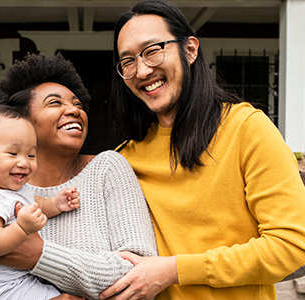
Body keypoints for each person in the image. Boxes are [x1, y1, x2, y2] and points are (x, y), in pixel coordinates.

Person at [99, 1, 305, 299]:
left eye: (152, 50)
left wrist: (174, 270)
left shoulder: (246, 129)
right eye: (127, 61)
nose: (142, 70)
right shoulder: (124, 160)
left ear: (191, 50)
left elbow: (292, 245)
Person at [0, 53, 158, 300]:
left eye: (77, 104)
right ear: (22, 122)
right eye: (55, 103)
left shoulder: (108, 169)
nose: (74, 110)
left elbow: (141, 273)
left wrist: (41, 256)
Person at [0, 105, 81, 300]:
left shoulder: (15, 188)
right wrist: (22, 228)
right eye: (12, 153)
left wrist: (56, 204)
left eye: (31, 155)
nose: (24, 163)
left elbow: (36, 206)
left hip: (18, 280)